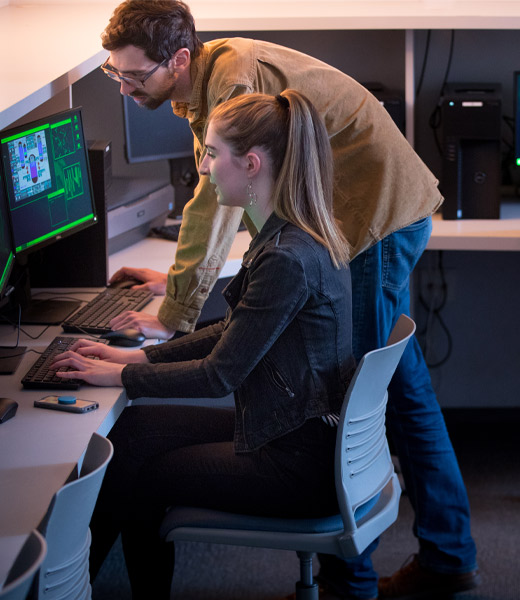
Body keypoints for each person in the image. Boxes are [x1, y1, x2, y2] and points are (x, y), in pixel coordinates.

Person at [97, 2, 479, 599]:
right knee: (391, 385)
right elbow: (243, 196)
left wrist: (173, 311)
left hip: (374, 217)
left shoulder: (232, 78)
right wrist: (172, 286)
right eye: (112, 74)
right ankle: (431, 556)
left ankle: (361, 576)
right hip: (367, 215)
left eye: (133, 76)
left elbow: (212, 201)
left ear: (177, 60)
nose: (123, 88)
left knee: (380, 390)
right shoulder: (209, 77)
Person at [51, 90, 354, 598]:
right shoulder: (289, 232)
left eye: (212, 154)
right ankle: (67, 584)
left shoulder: (287, 257)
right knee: (131, 434)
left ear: (251, 163)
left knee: (144, 477)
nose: (205, 170)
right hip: (287, 427)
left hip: (295, 462)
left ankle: (69, 585)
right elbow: (235, 334)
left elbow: (220, 374)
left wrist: (120, 376)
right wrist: (133, 356)